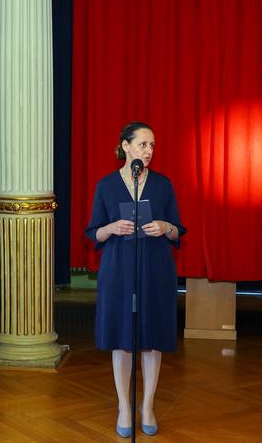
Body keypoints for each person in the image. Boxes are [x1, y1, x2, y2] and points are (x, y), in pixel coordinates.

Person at [85, 122, 185, 438]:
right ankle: (124, 406)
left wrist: (165, 226)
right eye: (143, 144)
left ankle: (148, 405)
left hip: (155, 268)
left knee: (152, 338)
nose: (149, 150)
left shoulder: (163, 184)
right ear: (126, 146)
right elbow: (94, 232)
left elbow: (177, 231)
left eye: (152, 145)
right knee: (123, 339)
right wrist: (111, 228)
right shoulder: (106, 185)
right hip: (119, 269)